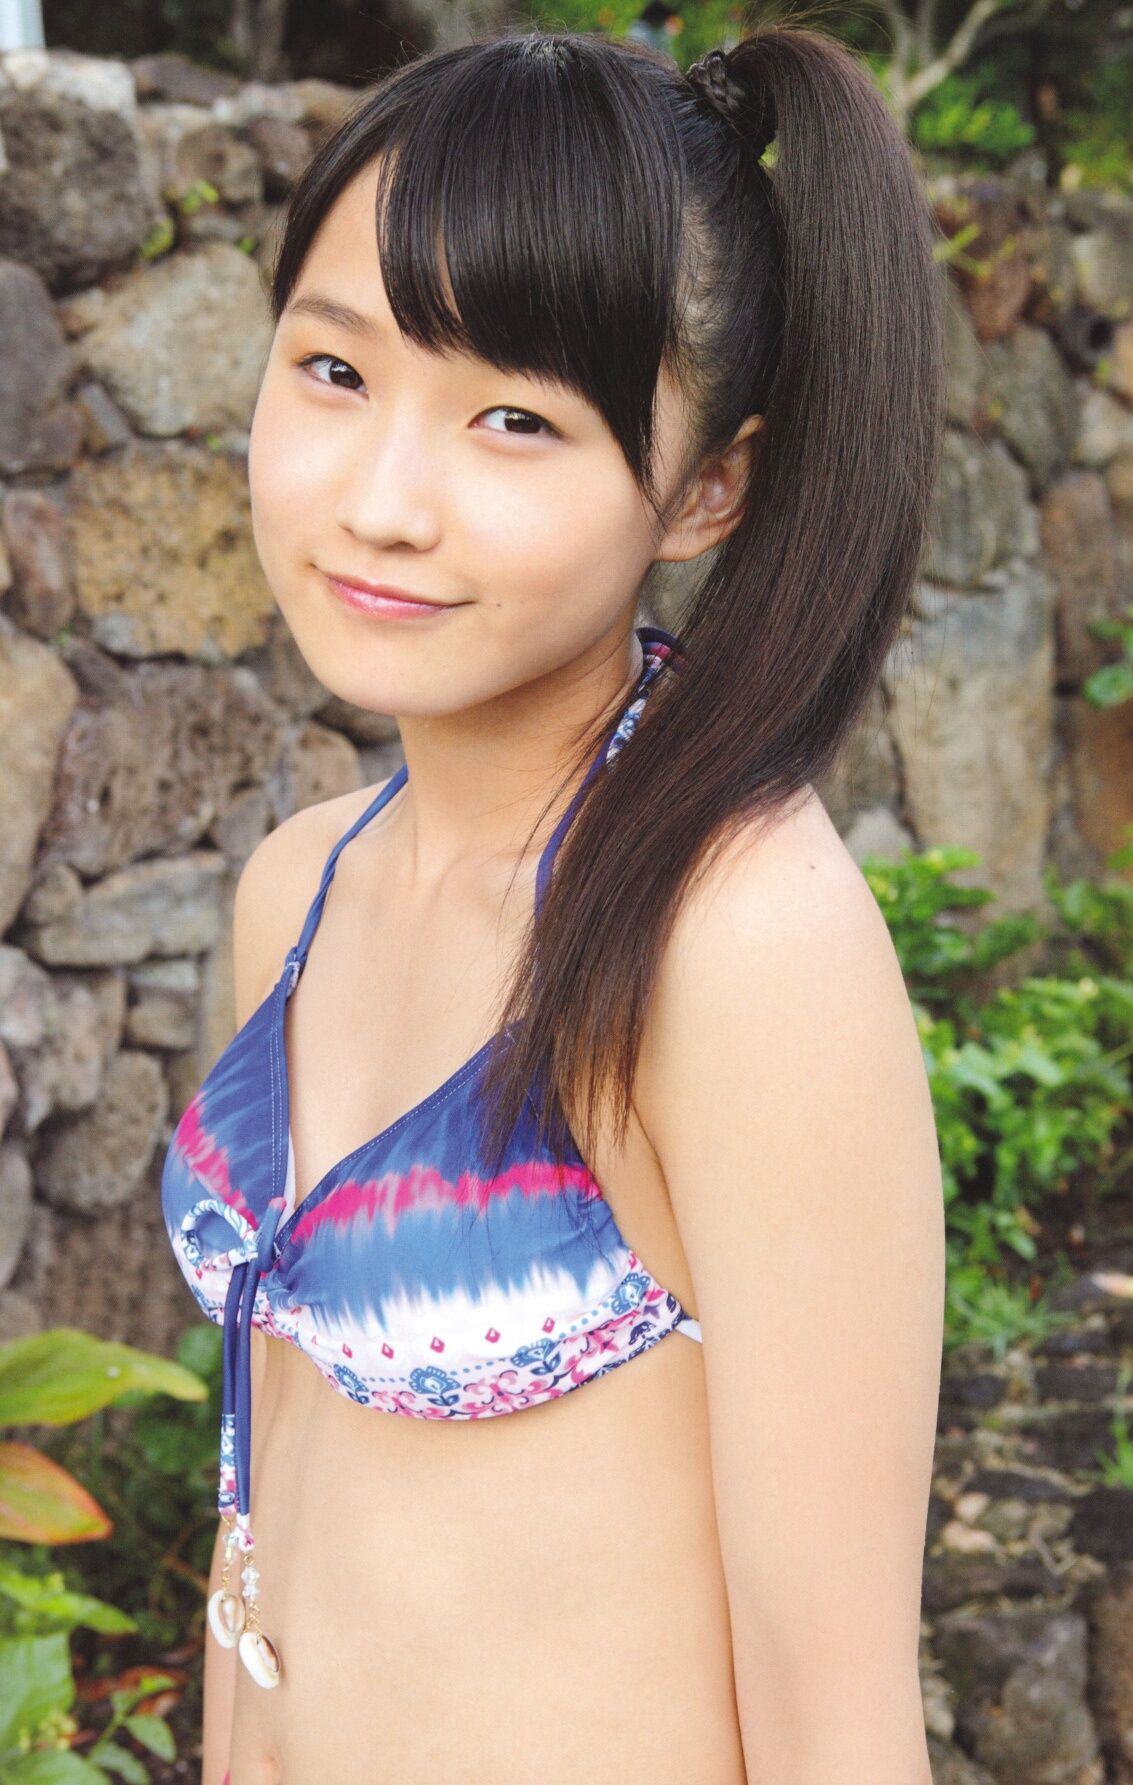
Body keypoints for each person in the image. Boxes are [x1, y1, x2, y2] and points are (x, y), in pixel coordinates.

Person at [160, 18, 947, 1783]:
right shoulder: (299, 888)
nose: (381, 501)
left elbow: (836, 1714)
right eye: (335, 369)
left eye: (513, 417)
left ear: (706, 486)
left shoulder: (729, 937)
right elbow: (260, 1508)